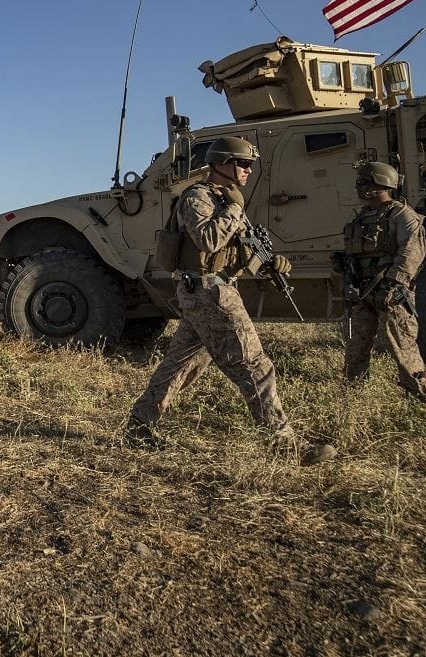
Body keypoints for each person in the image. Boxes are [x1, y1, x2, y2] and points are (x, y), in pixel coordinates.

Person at [127, 136, 335, 465]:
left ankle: (139, 424)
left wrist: (269, 263)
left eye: (250, 165)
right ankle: (285, 446)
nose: (248, 170)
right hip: (209, 293)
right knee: (256, 367)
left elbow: (235, 250)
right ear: (221, 163)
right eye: (243, 164)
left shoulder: (224, 200)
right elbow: (208, 240)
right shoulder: (198, 197)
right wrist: (236, 208)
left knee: (181, 365)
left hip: (211, 289)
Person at [334, 161, 426, 401]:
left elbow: (411, 252)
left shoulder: (401, 215)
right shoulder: (361, 218)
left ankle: (419, 395)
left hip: (390, 291)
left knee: (403, 344)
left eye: (363, 182)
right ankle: (353, 393)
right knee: (356, 344)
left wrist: (394, 282)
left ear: (381, 183)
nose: (359, 187)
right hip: (362, 290)